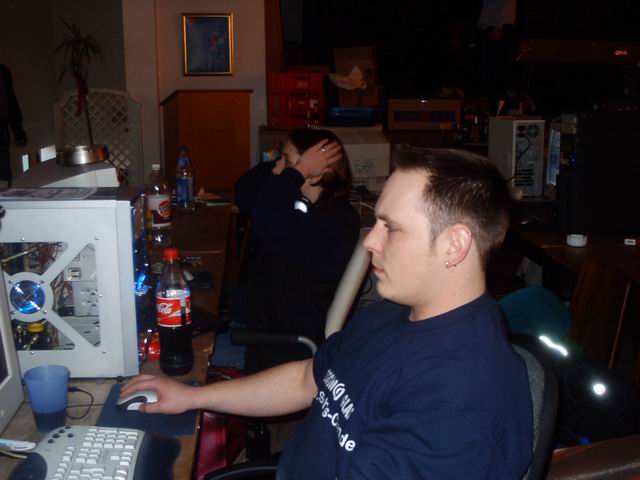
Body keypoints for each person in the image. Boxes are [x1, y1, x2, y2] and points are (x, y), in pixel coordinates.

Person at [122, 147, 533, 479]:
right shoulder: (392, 315)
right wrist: (192, 397)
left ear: (454, 246)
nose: (370, 241)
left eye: (391, 227)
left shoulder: (462, 401)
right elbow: (308, 378)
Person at [232, 128, 361, 373]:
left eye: (288, 163)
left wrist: (298, 170)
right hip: (257, 324)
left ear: (319, 171)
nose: (278, 170)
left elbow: (266, 219)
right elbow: (244, 193)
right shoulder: (301, 204)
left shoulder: (335, 223)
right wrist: (290, 166)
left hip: (276, 351)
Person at [0, 64, 27, 186]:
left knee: (4, 179)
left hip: (1, 131)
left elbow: (10, 101)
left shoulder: (2, 71)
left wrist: (18, 132)